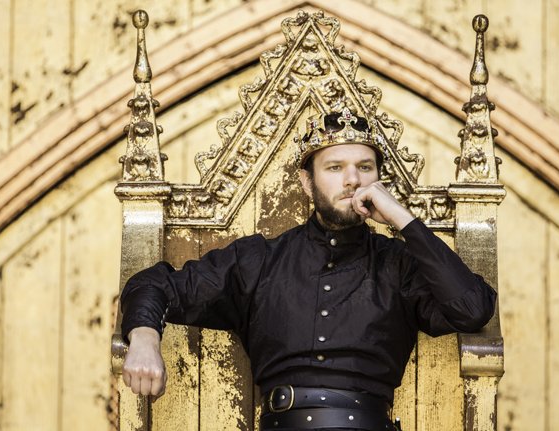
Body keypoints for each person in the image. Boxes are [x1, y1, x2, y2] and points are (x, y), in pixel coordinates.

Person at [120, 108, 497, 431]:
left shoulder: (400, 264)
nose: (352, 180)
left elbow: (472, 308)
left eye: (364, 168)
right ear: (306, 181)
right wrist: (144, 337)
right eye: (335, 167)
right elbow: (153, 284)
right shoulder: (257, 261)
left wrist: (401, 218)